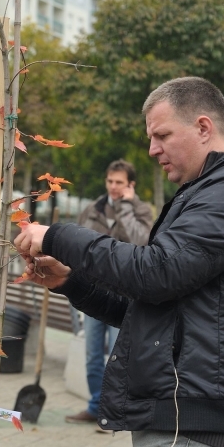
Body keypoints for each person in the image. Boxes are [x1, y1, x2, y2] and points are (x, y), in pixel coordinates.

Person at [14, 77, 224, 447]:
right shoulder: (202, 193)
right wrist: (71, 282)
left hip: (192, 417)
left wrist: (58, 236)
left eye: (161, 135)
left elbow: (156, 274)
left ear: (202, 127)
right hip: (181, 409)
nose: (152, 150)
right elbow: (151, 304)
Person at [65, 159, 153, 428]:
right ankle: (95, 405)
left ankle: (113, 413)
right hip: (94, 292)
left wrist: (126, 208)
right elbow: (77, 247)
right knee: (92, 353)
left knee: (119, 355)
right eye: (110, 181)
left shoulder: (142, 210)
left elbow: (142, 243)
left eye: (119, 183)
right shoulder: (93, 209)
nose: (113, 187)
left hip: (125, 297)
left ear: (131, 185)